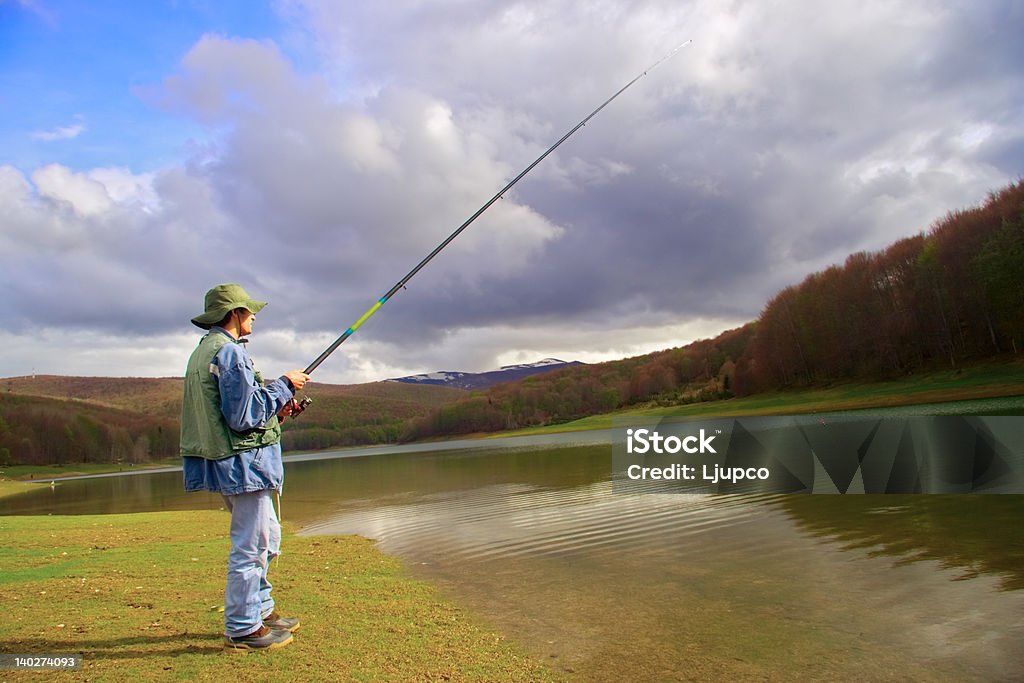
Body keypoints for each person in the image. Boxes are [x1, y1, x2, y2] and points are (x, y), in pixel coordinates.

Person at [180, 283, 310, 651]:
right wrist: (285, 385)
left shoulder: (203, 352)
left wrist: (276, 413)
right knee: (251, 547)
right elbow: (243, 416)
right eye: (249, 310)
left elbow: (237, 414)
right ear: (234, 314)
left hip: (233, 461)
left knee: (268, 538)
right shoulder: (230, 354)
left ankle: (261, 609)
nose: (254, 316)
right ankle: (242, 627)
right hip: (243, 466)